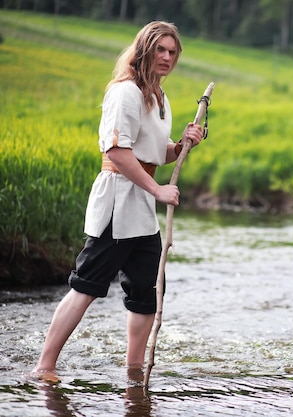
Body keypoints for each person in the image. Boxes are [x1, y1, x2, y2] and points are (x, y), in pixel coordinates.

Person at [32, 21, 205, 381]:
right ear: (145, 49)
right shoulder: (124, 92)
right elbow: (117, 152)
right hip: (116, 205)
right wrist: (158, 190)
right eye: (161, 49)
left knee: (147, 292)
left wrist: (181, 145)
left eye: (173, 52)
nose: (167, 57)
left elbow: (153, 154)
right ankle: (44, 367)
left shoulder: (159, 96)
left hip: (143, 214)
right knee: (86, 286)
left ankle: (134, 370)